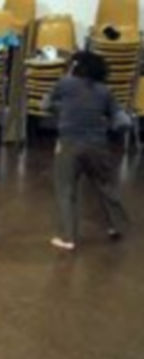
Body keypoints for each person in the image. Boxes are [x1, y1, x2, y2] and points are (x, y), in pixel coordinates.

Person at [43, 50, 130, 250]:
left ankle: (68, 238)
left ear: (76, 66)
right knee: (105, 185)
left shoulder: (64, 83)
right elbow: (119, 118)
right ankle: (116, 226)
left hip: (69, 143)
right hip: (97, 144)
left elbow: (46, 104)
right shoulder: (104, 90)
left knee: (66, 190)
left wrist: (63, 110)